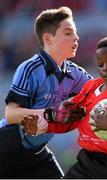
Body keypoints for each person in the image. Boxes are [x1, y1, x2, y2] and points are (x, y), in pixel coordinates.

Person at [21, 36, 107, 179]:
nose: (105, 67)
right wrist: (42, 125)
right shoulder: (91, 87)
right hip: (87, 162)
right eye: (100, 64)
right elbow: (71, 118)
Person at [0, 6, 92, 179]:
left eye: (75, 33)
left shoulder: (75, 73)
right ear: (48, 38)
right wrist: (51, 113)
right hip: (7, 147)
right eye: (68, 33)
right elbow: (11, 114)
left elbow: (98, 93)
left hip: (37, 152)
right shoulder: (29, 68)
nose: (76, 37)